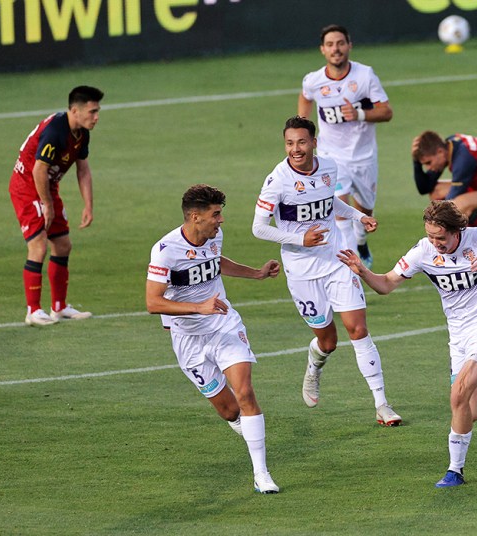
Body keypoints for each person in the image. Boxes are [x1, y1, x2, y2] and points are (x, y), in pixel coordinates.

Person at [337, 200, 477, 488]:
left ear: (458, 231)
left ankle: (454, 470)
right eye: (431, 236)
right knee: (474, 407)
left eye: (441, 238)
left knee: (458, 394)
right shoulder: (423, 251)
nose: (436, 243)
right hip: (457, 335)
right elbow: (386, 284)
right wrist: (363, 272)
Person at [252, 116, 401, 426]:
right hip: (302, 271)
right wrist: (299, 238)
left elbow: (329, 202)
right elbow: (258, 228)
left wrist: (359, 218)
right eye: (290, 143)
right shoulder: (277, 180)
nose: (295, 149)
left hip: (337, 260)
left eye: (302, 142)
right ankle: (314, 367)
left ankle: (382, 404)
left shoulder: (330, 168)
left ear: (314, 143)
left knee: (358, 330)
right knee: (328, 341)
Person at [145, 184, 281, 494]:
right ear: (195, 217)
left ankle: (261, 473)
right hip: (189, 339)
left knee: (245, 392)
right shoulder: (165, 251)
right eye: (215, 215)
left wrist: (256, 274)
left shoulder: (213, 236)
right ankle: (248, 429)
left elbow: (217, 262)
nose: (220, 221)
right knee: (229, 410)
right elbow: (153, 302)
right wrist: (198, 307)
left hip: (223, 326)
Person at [298, 24, 393, 269]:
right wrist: (304, 123)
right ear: (322, 50)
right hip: (331, 156)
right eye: (330, 44)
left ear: (349, 45)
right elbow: (306, 95)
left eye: (340, 43)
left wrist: (360, 114)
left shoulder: (364, 75)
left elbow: (386, 112)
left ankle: (360, 241)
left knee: (364, 215)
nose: (335, 49)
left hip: (363, 156)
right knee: (340, 212)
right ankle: (353, 267)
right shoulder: (314, 80)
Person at [9, 86, 104, 326]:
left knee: (62, 245)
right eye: (92, 111)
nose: (96, 117)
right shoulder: (55, 131)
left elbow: (83, 169)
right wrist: (47, 204)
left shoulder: (82, 133)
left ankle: (59, 307)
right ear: (75, 110)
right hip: (27, 186)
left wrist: (88, 205)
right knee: (38, 246)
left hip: (46, 187)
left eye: (97, 111)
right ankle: (33, 311)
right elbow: (38, 169)